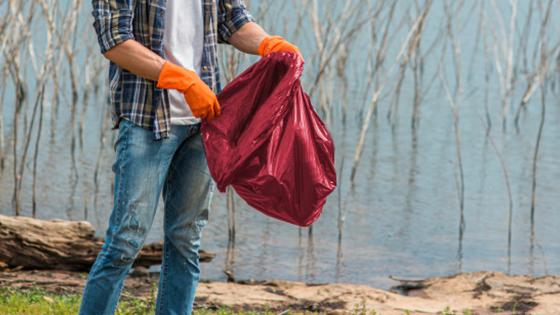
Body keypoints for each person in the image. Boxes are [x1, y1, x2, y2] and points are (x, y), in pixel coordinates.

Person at [79, 0, 301, 314]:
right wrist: (181, 79)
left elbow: (232, 19)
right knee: (125, 241)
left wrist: (267, 43)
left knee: (185, 242)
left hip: (205, 121)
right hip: (147, 119)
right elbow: (114, 41)